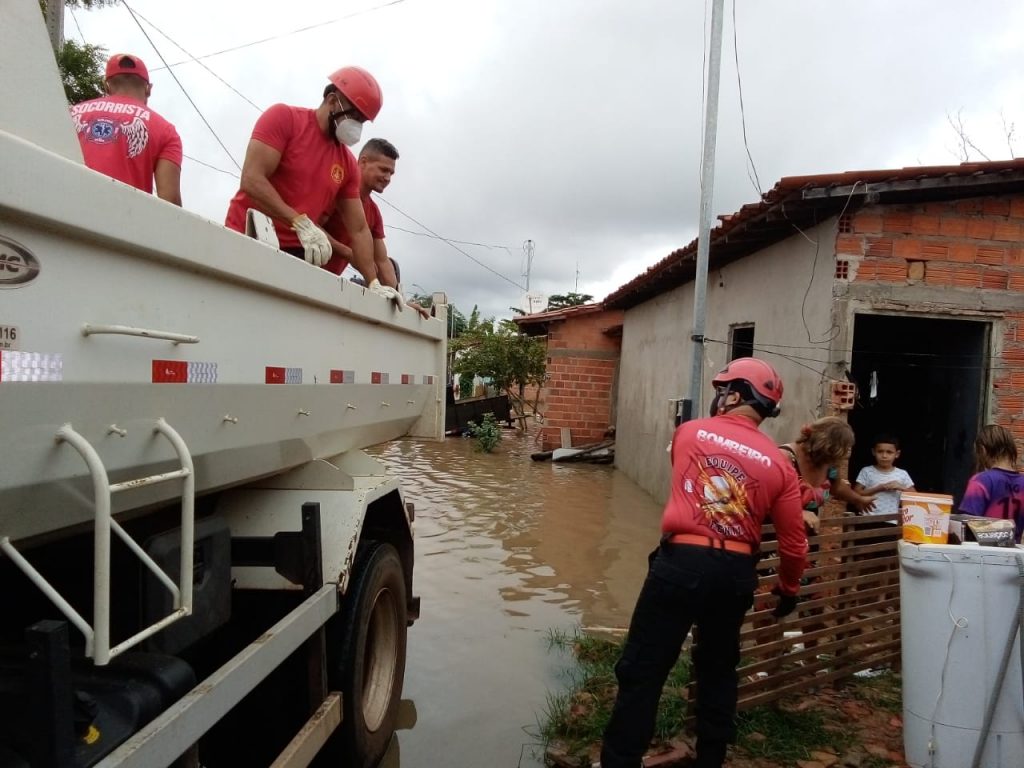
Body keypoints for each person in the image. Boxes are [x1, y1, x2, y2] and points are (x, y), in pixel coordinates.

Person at [599, 358, 807, 768]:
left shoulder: (689, 432)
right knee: (718, 668)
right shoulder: (780, 464)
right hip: (734, 576)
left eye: (723, 389)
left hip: (681, 563)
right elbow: (794, 545)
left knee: (643, 670)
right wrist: (788, 589)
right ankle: (710, 759)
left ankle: (621, 761)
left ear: (734, 395)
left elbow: (685, 481)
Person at [224, 66, 398, 301]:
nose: (357, 126)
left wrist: (374, 282)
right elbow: (252, 179)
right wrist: (300, 222)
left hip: (299, 254)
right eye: (354, 116)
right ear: (332, 100)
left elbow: (358, 228)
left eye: (362, 121)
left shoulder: (346, 162)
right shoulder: (285, 119)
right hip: (248, 235)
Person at [70, 53, 182, 205]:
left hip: (62, 212)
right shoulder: (166, 130)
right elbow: (170, 201)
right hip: (124, 223)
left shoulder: (71, 114)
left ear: (106, 86)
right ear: (148, 89)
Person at [322, 138, 400, 288]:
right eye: (383, 170)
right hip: (298, 268)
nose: (388, 178)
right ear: (363, 162)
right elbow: (309, 225)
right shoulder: (335, 188)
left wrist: (401, 300)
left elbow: (382, 262)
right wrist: (349, 253)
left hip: (329, 285)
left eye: (391, 173)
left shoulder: (374, 212)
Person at [779, 417, 876, 534]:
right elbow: (762, 498)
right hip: (772, 534)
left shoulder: (827, 462)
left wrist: (859, 499)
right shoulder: (784, 458)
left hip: (804, 535)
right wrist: (798, 513)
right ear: (826, 447)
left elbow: (837, 487)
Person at [959, 424, 1024, 540]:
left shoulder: (980, 481)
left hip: (983, 554)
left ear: (983, 450)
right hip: (1014, 554)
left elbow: (965, 526)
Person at [852, 434, 914, 519]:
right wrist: (879, 488)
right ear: (873, 452)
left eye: (889, 452)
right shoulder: (866, 471)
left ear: (897, 454)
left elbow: (915, 495)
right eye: (880, 451)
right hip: (867, 519)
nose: (884, 456)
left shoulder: (902, 474)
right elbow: (855, 493)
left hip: (891, 520)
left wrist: (900, 487)